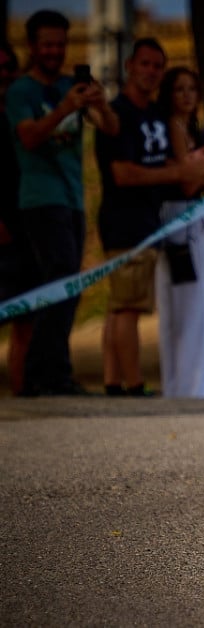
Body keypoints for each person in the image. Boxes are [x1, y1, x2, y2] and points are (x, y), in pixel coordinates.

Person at [96, 39, 204, 398]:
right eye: (145, 64)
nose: (150, 72)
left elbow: (161, 166)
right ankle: (131, 385)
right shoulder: (118, 114)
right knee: (127, 306)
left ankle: (113, 380)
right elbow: (124, 174)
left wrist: (192, 167)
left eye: (157, 66)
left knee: (123, 303)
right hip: (124, 220)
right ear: (129, 66)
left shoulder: (151, 115)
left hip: (147, 220)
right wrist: (182, 170)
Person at [7, 10, 118, 396]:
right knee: (60, 280)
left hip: (73, 199)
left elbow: (112, 129)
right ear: (33, 46)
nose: (55, 51)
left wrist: (100, 105)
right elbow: (30, 137)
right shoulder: (22, 91)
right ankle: (47, 373)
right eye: (47, 44)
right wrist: (65, 109)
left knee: (68, 284)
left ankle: (50, 371)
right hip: (40, 199)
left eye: (60, 43)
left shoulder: (73, 84)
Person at [154, 66, 204, 398]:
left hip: (197, 214)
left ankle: (201, 383)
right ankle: (187, 385)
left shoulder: (191, 127)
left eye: (191, 89)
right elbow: (187, 179)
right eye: (178, 89)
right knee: (188, 307)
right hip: (180, 217)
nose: (186, 96)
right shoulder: (172, 126)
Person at [0, 39, 36, 396]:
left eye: (9, 66)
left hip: (24, 223)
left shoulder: (17, 111)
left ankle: (20, 392)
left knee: (25, 318)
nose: (4, 74)